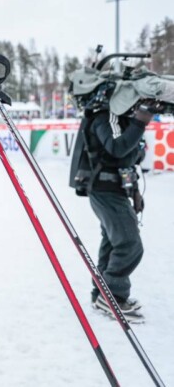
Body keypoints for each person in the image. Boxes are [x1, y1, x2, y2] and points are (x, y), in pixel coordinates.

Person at [71, 88, 160, 324]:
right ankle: (114, 297)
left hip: (115, 189)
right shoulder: (105, 117)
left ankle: (101, 294)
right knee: (130, 244)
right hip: (104, 189)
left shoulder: (121, 120)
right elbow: (117, 148)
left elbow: (128, 158)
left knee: (113, 242)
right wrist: (140, 122)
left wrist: (134, 192)